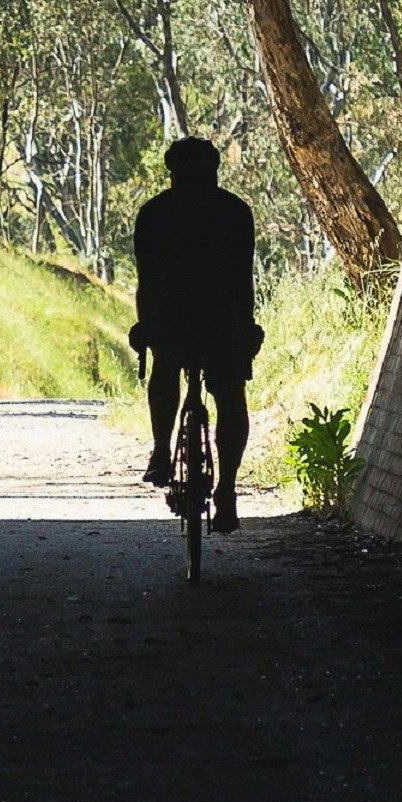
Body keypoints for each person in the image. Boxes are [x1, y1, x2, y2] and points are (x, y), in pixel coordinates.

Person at [128, 137, 261, 533]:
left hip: (172, 320)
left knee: (165, 370)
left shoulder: (154, 213)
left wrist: (145, 325)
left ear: (172, 172)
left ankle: (160, 451)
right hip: (223, 322)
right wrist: (246, 328)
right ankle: (227, 491)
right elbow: (243, 278)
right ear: (215, 170)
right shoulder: (235, 211)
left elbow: (146, 278)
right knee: (230, 393)